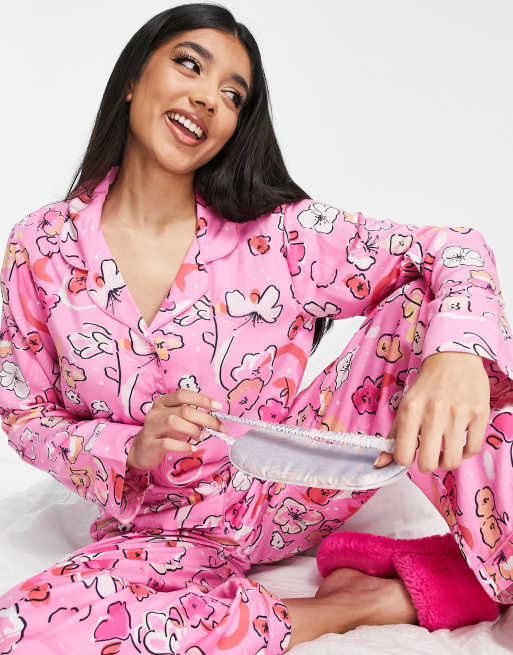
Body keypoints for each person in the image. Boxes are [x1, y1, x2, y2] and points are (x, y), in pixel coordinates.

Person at [0, 3, 512, 653]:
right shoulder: (41, 247)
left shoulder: (279, 233)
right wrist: (129, 447)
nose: (207, 99)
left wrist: (455, 358)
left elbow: (454, 248)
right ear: (133, 77)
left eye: (232, 94)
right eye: (189, 65)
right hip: (157, 531)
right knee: (28, 631)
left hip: (290, 489)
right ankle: (350, 605)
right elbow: (25, 414)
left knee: (434, 319)